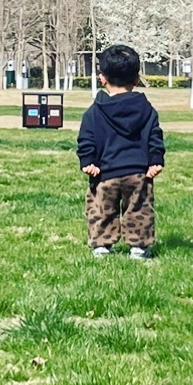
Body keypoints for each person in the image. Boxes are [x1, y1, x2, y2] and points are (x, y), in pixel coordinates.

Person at [78, 44, 165, 259]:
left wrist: (88, 161)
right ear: (136, 79)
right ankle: (139, 246)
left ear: (102, 78)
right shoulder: (146, 109)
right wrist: (155, 160)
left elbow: (86, 138)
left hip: (104, 173)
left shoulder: (94, 111)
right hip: (139, 172)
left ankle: (101, 245)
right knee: (139, 209)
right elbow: (155, 135)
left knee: (101, 208)